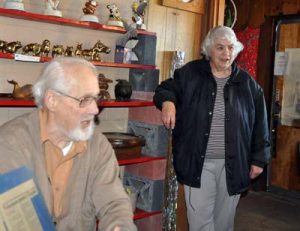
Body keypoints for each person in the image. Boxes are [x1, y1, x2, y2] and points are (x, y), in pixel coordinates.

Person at [153, 26, 270, 231]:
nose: (227, 54)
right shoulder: (190, 73)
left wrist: (259, 158)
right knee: (200, 222)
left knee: (224, 223)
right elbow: (165, 88)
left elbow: (261, 124)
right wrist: (168, 102)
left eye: (231, 48)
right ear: (209, 49)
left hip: (234, 162)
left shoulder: (248, 84)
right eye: (220, 47)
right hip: (198, 162)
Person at [0, 57, 137, 231]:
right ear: (52, 100)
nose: (95, 109)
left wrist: (120, 226)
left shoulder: (98, 146)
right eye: (85, 99)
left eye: (96, 98)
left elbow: (114, 203)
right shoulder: (9, 144)